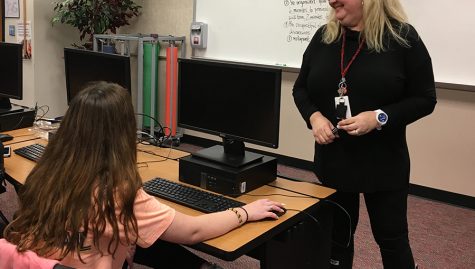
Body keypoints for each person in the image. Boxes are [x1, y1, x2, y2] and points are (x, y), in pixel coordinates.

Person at [3, 81, 285, 268]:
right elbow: (193, 231)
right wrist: (245, 212)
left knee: (147, 237)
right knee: (150, 234)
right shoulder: (117, 192)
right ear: (124, 132)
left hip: (44, 262)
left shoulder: (46, 172)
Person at [293, 0, 436, 269]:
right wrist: (314, 117)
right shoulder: (324, 38)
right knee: (337, 241)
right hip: (334, 160)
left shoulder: (402, 39)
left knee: (392, 240)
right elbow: (300, 89)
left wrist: (380, 117)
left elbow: (425, 99)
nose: (332, 0)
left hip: (383, 163)